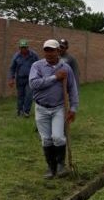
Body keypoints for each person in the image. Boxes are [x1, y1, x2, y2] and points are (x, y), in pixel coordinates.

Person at [29, 39, 79, 179]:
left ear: (58, 51)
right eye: (46, 50)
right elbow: (34, 84)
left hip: (59, 108)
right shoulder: (37, 66)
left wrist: (73, 108)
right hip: (41, 108)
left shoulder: (65, 68)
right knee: (46, 139)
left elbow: (72, 89)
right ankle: (51, 168)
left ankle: (61, 165)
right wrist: (54, 78)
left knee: (58, 137)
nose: (49, 53)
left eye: (52, 50)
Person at [8, 39, 39, 117]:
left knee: (29, 95)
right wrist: (11, 78)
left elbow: (39, 65)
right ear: (19, 48)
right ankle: (20, 111)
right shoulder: (16, 56)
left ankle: (26, 111)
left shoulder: (33, 55)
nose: (23, 49)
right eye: (22, 47)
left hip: (30, 78)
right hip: (20, 79)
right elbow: (12, 68)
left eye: (25, 47)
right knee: (20, 96)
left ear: (28, 47)